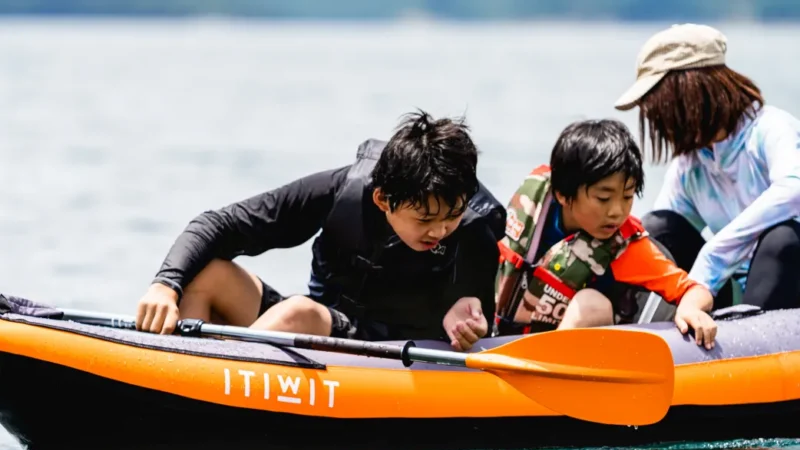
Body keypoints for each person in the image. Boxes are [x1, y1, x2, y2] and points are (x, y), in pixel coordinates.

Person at [135, 110, 506, 351]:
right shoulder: (341, 192)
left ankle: (208, 385)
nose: (441, 229)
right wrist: (165, 284)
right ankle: (178, 371)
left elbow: (475, 331)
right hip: (330, 327)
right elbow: (219, 224)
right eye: (424, 219)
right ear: (382, 200)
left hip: (395, 352)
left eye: (452, 215)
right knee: (210, 274)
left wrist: (464, 322)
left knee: (299, 312)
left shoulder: (474, 232)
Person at [614, 23, 800, 311]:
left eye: (658, 104)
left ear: (693, 91)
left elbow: (793, 191)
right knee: (658, 229)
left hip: (788, 280)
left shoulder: (771, 129)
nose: (654, 117)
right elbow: (659, 238)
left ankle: (748, 346)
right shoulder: (690, 165)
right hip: (732, 291)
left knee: (782, 239)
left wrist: (715, 254)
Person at [495, 119, 718, 349]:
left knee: (592, 305)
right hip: (496, 337)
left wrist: (691, 307)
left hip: (571, 356)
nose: (617, 211)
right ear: (562, 194)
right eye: (603, 198)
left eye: (628, 196)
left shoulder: (627, 248)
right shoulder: (533, 204)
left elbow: (695, 290)